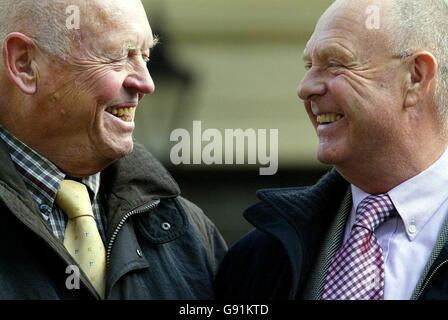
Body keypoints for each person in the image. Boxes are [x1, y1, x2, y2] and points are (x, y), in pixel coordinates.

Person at [215, 0, 448, 300]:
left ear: (415, 76)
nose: (305, 87)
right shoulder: (260, 259)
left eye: (336, 64)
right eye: (309, 66)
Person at [0, 0, 227, 300]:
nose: (146, 83)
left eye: (145, 56)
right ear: (25, 64)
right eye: (119, 56)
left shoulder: (189, 234)